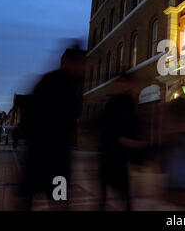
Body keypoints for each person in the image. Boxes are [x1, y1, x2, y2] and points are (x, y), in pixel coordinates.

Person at [20, 44, 85, 210]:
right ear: (67, 62)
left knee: (39, 197)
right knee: (56, 199)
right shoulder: (61, 84)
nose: (81, 67)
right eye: (79, 63)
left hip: (46, 154)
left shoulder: (58, 81)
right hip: (51, 154)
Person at [98, 75, 147, 211]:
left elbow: (132, 126)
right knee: (117, 194)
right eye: (121, 83)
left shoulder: (126, 101)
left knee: (121, 194)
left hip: (117, 155)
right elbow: (109, 126)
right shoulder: (119, 102)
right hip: (111, 153)